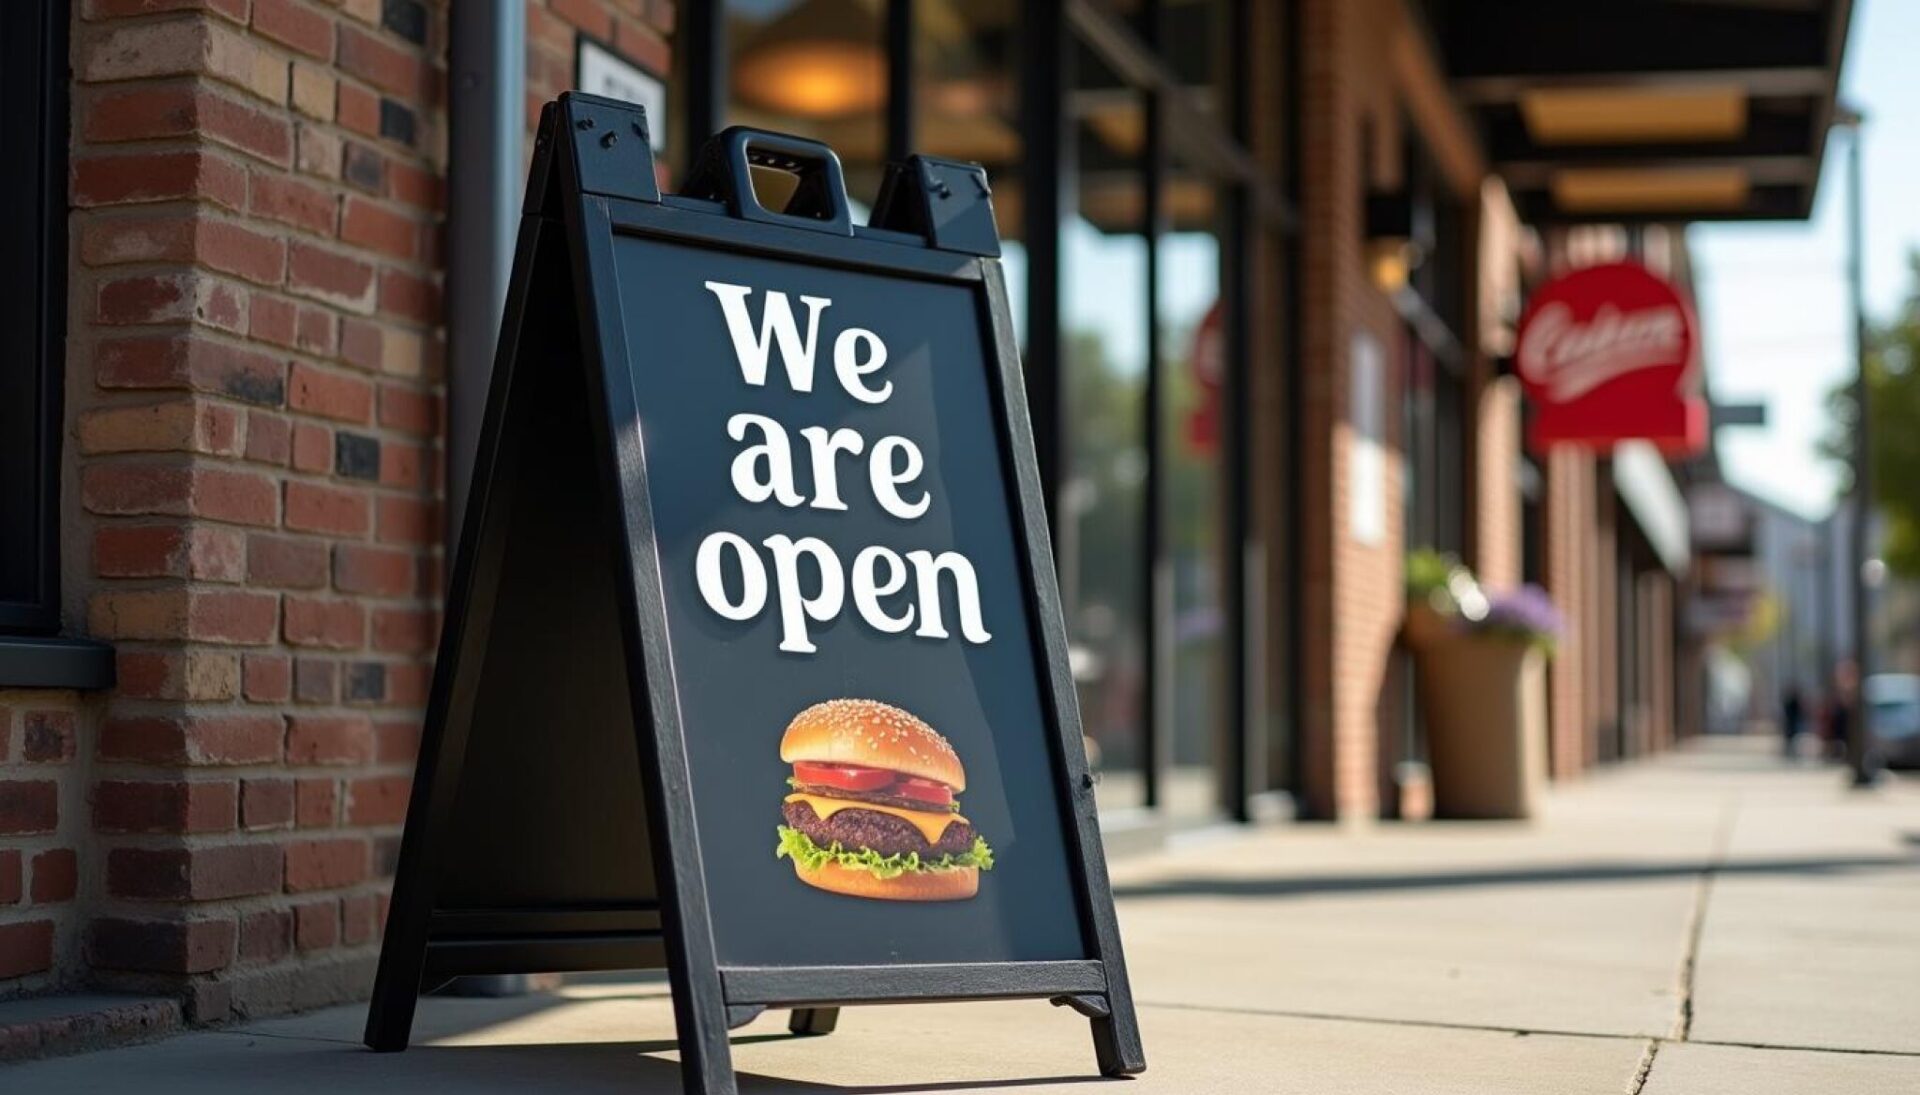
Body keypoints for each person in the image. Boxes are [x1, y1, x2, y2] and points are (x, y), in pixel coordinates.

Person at [1781, 685, 1805, 758]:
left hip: (1793, 723)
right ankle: (1789, 751)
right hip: (1790, 723)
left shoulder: (1794, 701)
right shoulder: (1789, 702)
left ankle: (1792, 751)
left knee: (1793, 738)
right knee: (1789, 738)